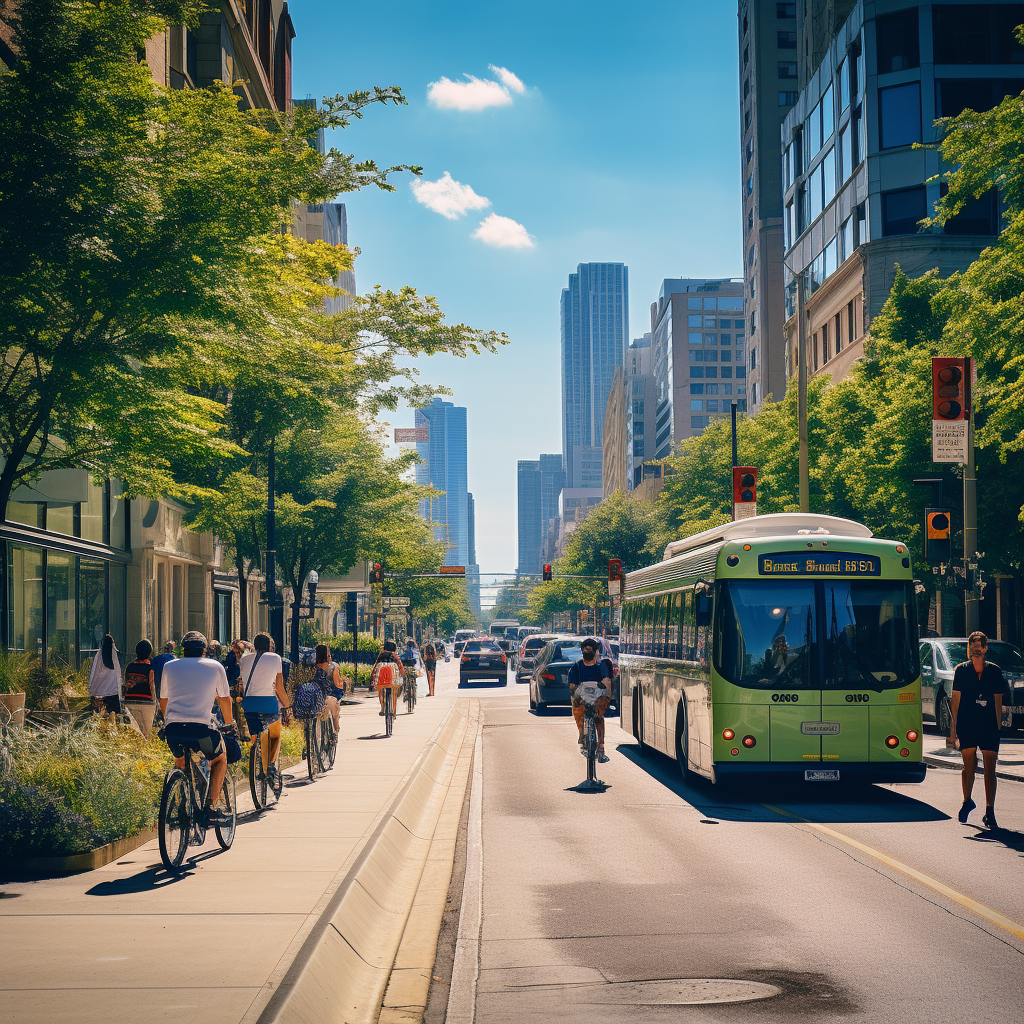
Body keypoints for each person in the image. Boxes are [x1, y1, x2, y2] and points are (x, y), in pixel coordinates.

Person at [159, 631, 234, 826]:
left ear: (182, 650)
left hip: (173, 729)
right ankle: (210, 807)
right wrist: (229, 723)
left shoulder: (169, 666)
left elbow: (164, 700)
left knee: (181, 759)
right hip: (201, 730)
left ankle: (180, 799)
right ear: (204, 651)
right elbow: (224, 699)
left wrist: (169, 721)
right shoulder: (215, 666)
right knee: (219, 758)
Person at [950, 630, 1009, 830]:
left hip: (988, 723)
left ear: (985, 649)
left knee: (990, 766)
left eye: (979, 646)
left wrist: (998, 727)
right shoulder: (961, 670)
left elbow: (999, 700)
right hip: (967, 722)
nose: (975, 649)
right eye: (972, 646)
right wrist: (953, 729)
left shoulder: (994, 671)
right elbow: (955, 700)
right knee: (968, 764)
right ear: (969, 649)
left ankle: (990, 810)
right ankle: (967, 800)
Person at [239, 632, 291, 791]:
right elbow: (279, 687)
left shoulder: (244, 659)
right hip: (268, 702)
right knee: (275, 735)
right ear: (269, 646)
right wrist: (287, 705)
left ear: (254, 646)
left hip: (249, 704)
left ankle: (258, 761)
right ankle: (271, 767)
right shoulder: (275, 658)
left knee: (258, 733)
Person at [568, 637, 613, 764]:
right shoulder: (577, 667)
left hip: (598, 696)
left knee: (599, 717)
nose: (587, 652)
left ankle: (601, 747)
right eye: (585, 649)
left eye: (590, 649)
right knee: (577, 711)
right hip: (583, 697)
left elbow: (607, 681)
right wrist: (575, 696)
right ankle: (582, 734)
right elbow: (572, 685)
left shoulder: (603, 665)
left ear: (596, 651)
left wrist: (607, 696)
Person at [123, 640, 157, 737]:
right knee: (147, 731)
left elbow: (126, 683)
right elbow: (151, 683)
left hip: (130, 700)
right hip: (146, 701)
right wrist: (155, 700)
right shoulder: (150, 667)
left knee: (136, 730)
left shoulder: (129, 666)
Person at [88, 634, 122, 715]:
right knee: (113, 719)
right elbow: (118, 674)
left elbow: (94, 674)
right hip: (113, 694)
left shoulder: (99, 655)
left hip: (100, 695)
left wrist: (91, 690)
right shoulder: (114, 655)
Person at [313, 643, 343, 733]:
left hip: (315, 698)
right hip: (329, 698)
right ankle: (335, 729)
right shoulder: (333, 667)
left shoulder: (312, 667)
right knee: (336, 710)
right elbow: (338, 684)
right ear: (327, 654)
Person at [372, 641, 404, 717]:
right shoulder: (395, 656)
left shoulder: (381, 656)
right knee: (394, 693)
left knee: (380, 691)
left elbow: (375, 667)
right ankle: (394, 712)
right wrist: (403, 676)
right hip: (392, 678)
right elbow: (400, 667)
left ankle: (383, 708)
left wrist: (372, 676)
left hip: (381, 679)